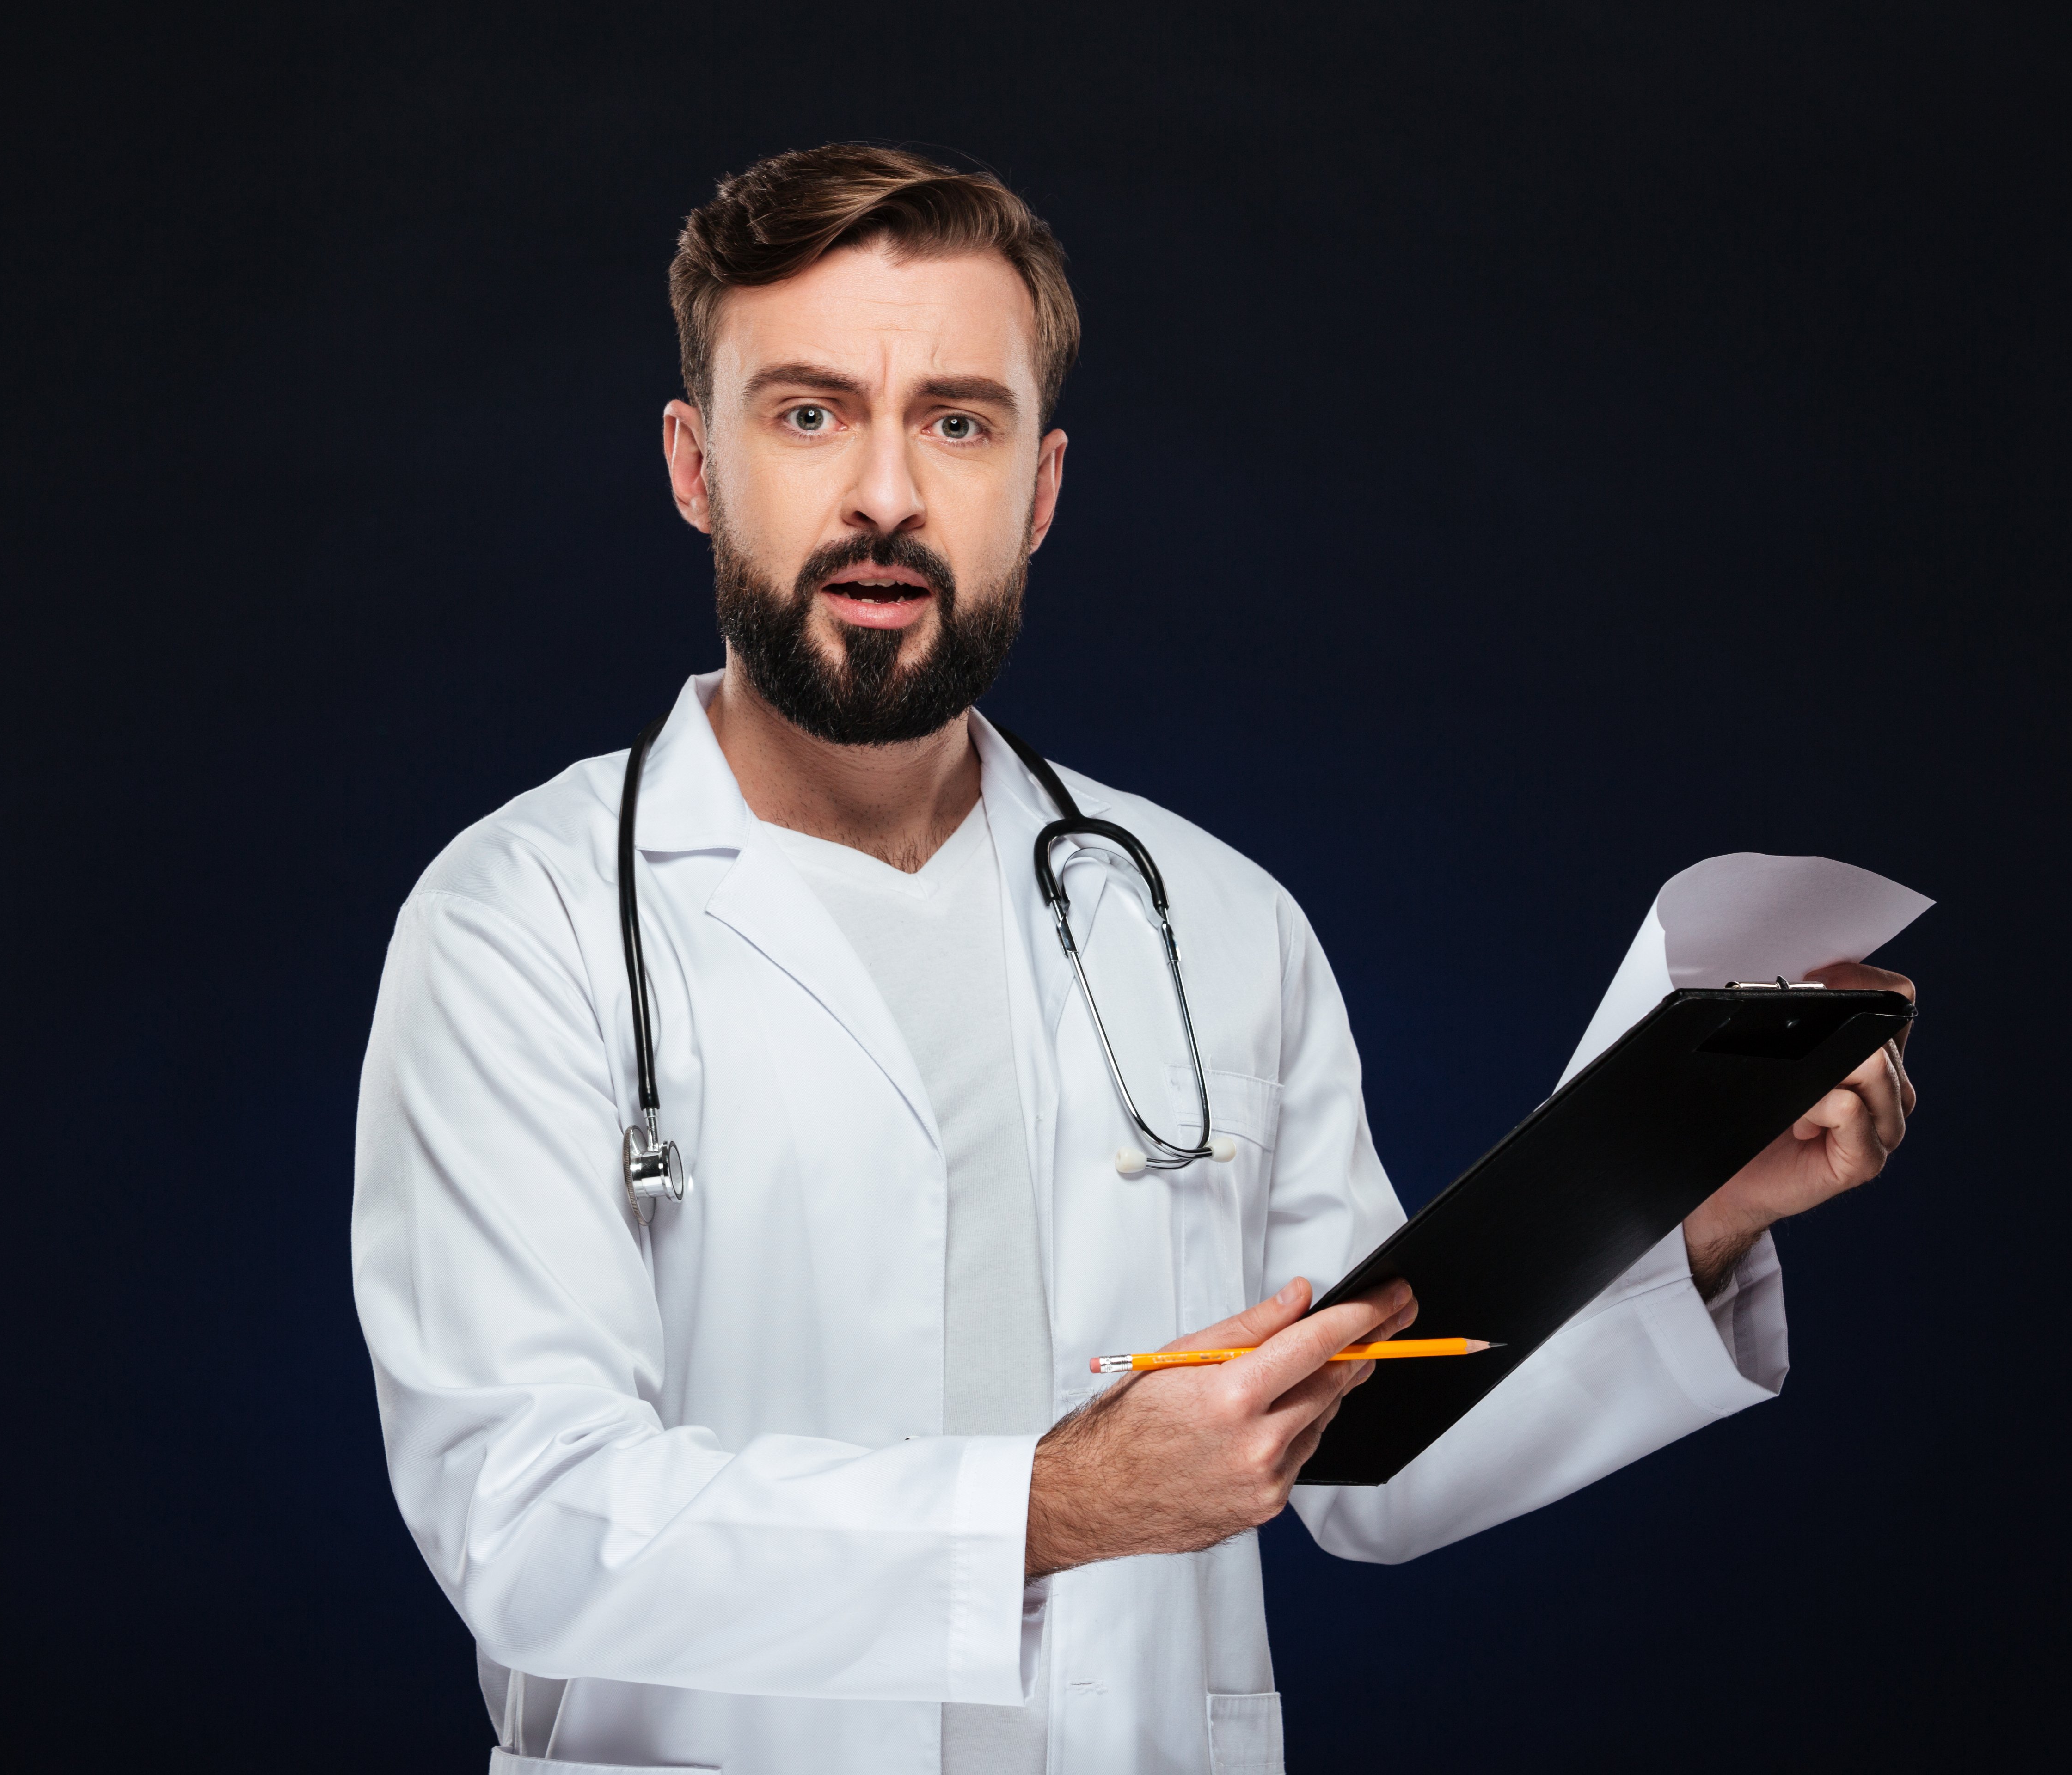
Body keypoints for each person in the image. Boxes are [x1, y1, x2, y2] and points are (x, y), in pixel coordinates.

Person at [350, 144, 1918, 1775]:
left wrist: (1700, 1200)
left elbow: (1368, 1446)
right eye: (807, 414)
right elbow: (528, 1526)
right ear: (694, 466)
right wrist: (1055, 1508)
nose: (886, 493)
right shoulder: (518, 924)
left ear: (1039, 486)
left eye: (958, 421)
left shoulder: (1217, 920)